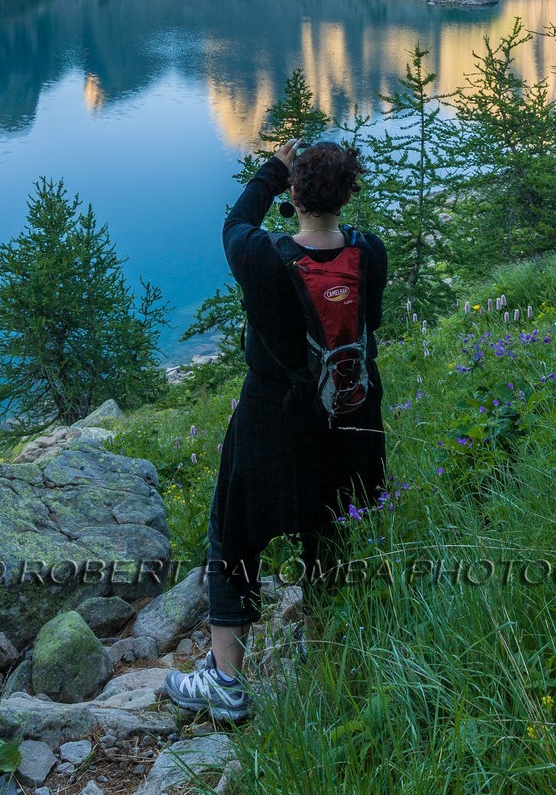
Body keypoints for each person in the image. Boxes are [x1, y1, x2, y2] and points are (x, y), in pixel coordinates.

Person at [162, 136, 388, 723]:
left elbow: (235, 221)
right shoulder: (372, 254)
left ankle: (227, 683)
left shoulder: (262, 258)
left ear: (294, 196)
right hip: (349, 423)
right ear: (348, 193)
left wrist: (273, 168)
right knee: (332, 538)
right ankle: (329, 673)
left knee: (234, 536)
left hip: (270, 426)